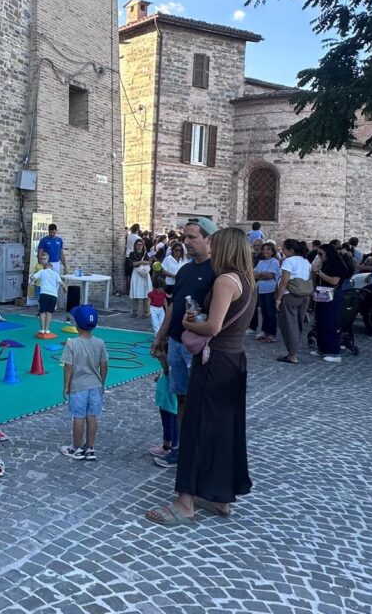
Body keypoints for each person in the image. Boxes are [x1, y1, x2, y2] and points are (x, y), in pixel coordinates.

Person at [144, 227, 255, 526]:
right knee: (222, 430)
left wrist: (188, 324)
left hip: (214, 361)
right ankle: (219, 496)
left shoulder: (224, 281)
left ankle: (185, 502)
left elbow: (213, 327)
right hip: (233, 360)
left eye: (215, 246)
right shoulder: (246, 280)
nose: (212, 250)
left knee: (195, 428)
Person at [150, 217, 217, 468]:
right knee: (180, 397)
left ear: (208, 239)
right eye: (184, 237)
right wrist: (160, 337)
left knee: (199, 400)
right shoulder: (186, 270)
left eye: (192, 237)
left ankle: (200, 451)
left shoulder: (216, 272)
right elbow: (173, 308)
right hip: (177, 343)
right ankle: (182, 448)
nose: (186, 242)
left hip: (198, 346)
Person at [59, 305, 108, 461]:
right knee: (91, 416)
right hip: (95, 385)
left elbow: (68, 367)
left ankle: (76, 447)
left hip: (78, 386)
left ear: (76, 324)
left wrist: (66, 386)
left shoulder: (72, 344)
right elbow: (104, 364)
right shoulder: (100, 343)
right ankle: (90, 447)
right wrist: (102, 383)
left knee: (78, 417)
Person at [273, 239, 312, 364]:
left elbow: (284, 281)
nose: (282, 251)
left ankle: (292, 354)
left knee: (289, 324)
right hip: (304, 295)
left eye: (284, 249)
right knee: (298, 324)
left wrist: (278, 299)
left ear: (291, 250)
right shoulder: (306, 261)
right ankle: (294, 351)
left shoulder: (288, 261)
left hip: (290, 295)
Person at [312, 243, 349, 362]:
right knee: (320, 321)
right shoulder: (326, 263)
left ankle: (334, 352)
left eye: (321, 254)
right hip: (324, 294)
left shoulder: (337, 264)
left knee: (329, 322)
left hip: (333, 296)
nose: (319, 256)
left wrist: (319, 272)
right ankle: (323, 348)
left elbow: (334, 281)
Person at [148, 368, 178, 459]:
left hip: (167, 399)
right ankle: (173, 445)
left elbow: (168, 376)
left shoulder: (170, 365)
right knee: (174, 421)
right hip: (173, 400)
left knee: (168, 423)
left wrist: (160, 379)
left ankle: (166, 447)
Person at [254, 243, 281, 343]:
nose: (265, 251)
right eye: (264, 249)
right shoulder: (261, 262)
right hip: (261, 289)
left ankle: (272, 333)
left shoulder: (274, 262)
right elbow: (253, 274)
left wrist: (259, 275)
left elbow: (269, 275)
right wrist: (262, 275)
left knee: (270, 313)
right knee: (264, 312)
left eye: (268, 249)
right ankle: (264, 331)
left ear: (272, 251)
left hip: (270, 289)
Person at [30, 261, 65, 335]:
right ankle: (47, 330)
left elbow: (33, 277)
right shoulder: (55, 273)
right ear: (51, 267)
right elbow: (61, 283)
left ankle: (42, 329)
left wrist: (31, 278)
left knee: (42, 312)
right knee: (49, 313)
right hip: (53, 295)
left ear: (44, 267)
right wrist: (65, 289)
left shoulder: (41, 271)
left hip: (44, 294)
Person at [128, 239, 152, 318]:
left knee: (145, 293)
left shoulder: (145, 254)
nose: (139, 246)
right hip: (136, 274)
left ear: (143, 245)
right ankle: (135, 311)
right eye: (137, 244)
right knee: (135, 292)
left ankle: (146, 312)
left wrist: (144, 262)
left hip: (144, 274)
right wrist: (141, 262)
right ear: (135, 245)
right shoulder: (132, 253)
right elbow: (132, 263)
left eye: (141, 244)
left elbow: (149, 262)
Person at [124, 223, 142, 293]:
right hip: (135, 257)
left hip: (127, 256)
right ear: (137, 229)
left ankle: (128, 289)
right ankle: (134, 289)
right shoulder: (138, 238)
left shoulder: (128, 236)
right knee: (134, 273)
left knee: (128, 274)